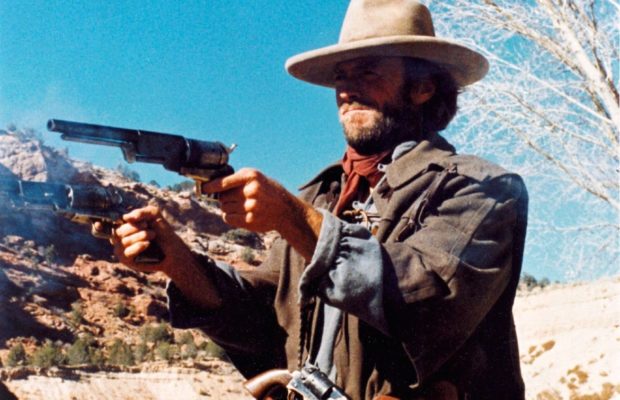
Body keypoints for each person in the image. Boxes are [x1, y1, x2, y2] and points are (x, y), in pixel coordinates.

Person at [109, 1, 528, 399]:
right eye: (341, 77)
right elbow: (264, 322)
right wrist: (175, 260)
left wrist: (291, 217)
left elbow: (423, 300)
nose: (346, 90)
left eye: (368, 72)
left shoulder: (482, 189)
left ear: (423, 87)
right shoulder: (322, 195)